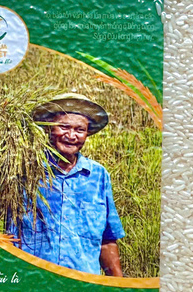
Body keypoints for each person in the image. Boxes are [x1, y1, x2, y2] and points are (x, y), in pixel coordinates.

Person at [8, 92, 125, 276]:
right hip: (35, 282)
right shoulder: (26, 173)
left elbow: (107, 240)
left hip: (84, 283)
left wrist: (120, 285)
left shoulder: (98, 176)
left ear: (87, 133)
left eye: (80, 130)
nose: (71, 136)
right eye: (64, 127)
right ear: (48, 129)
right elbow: (10, 237)